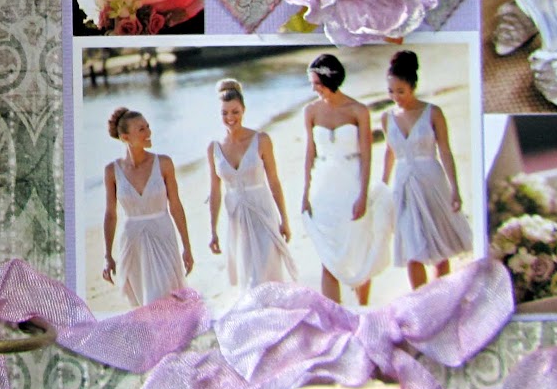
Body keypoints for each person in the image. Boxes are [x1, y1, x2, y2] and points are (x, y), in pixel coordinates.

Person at [300, 54, 394, 305]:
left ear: (330, 79)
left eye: (316, 83)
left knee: (360, 249)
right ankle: (333, 314)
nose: (313, 88)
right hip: (323, 189)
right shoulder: (310, 111)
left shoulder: (358, 110)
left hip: (351, 184)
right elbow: (310, 154)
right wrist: (305, 194)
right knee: (328, 256)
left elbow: (366, 156)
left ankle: (362, 310)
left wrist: (363, 195)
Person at [380, 50, 471, 289]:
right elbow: (390, 152)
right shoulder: (387, 117)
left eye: (401, 91)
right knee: (412, 248)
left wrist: (455, 189)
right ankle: (419, 300)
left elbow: (446, 152)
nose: (396, 97)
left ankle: (441, 295)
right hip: (403, 184)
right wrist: (382, 186)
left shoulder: (433, 112)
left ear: (413, 86)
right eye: (391, 91)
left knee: (439, 244)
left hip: (431, 180)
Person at [206, 80, 296, 290]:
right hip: (236, 218)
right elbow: (215, 191)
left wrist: (284, 220)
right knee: (248, 280)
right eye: (224, 113)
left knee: (267, 276)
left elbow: (274, 181)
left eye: (235, 112)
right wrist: (213, 230)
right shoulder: (214, 148)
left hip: (263, 213)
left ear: (244, 110)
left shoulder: (261, 140)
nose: (230, 118)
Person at [101, 107, 194, 307]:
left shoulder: (164, 163)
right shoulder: (111, 171)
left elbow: (176, 206)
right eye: (141, 129)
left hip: (163, 236)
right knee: (143, 304)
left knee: (164, 298)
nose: (149, 132)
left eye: (148, 126)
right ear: (125, 137)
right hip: (132, 242)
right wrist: (108, 256)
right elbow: (110, 214)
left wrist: (187, 247)